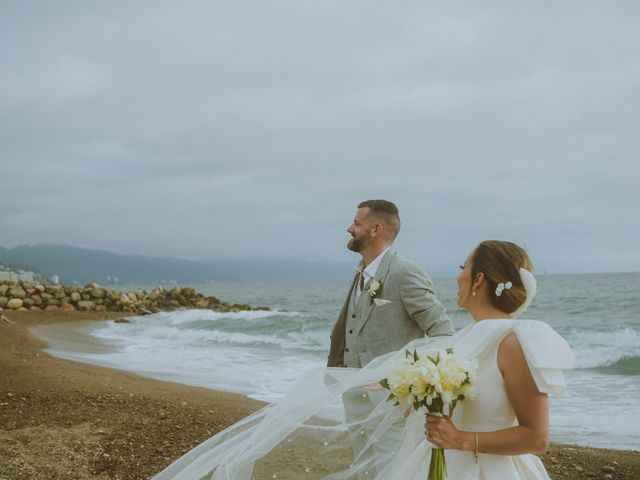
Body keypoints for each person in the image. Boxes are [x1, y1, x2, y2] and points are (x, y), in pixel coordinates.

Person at [152, 240, 573, 480]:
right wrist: (411, 394)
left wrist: (462, 440)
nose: (458, 275)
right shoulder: (462, 338)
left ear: (479, 280)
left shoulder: (518, 340)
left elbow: (537, 437)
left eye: (464, 268)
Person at [327, 199, 454, 369]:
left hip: (389, 393)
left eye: (356, 224)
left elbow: (443, 332)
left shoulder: (405, 272)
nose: (349, 229)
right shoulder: (360, 274)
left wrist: (412, 378)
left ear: (375, 230)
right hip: (350, 388)